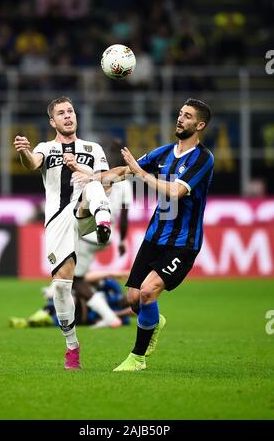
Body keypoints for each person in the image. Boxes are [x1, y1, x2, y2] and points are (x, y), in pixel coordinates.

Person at [73, 98, 214, 371]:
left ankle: (137, 359)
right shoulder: (163, 153)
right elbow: (124, 172)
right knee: (134, 299)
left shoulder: (203, 159)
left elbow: (176, 191)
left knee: (148, 293)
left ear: (199, 125)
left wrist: (142, 175)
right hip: (154, 237)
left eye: (187, 116)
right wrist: (91, 177)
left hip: (183, 243)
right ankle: (154, 321)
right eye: (180, 114)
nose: (180, 119)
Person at [13, 96, 112, 371]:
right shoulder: (46, 147)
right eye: (61, 113)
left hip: (86, 211)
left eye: (70, 111)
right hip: (58, 221)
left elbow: (106, 186)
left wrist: (80, 169)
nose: (68, 116)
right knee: (60, 287)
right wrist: (23, 150)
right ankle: (72, 348)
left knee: (91, 183)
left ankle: (104, 225)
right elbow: (32, 162)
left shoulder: (93, 148)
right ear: (52, 121)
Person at [72, 138, 133, 328]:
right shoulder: (125, 184)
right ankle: (107, 311)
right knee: (81, 276)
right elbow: (124, 216)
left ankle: (108, 316)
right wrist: (122, 241)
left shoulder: (94, 176)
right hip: (107, 235)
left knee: (76, 280)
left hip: (88, 232)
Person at [8, 271, 134, 329]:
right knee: (70, 296)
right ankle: (32, 320)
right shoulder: (114, 288)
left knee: (66, 306)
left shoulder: (123, 317)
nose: (132, 297)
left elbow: (131, 314)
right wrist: (109, 273)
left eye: (135, 300)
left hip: (84, 316)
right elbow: (85, 278)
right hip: (78, 300)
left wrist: (114, 314)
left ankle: (33, 320)